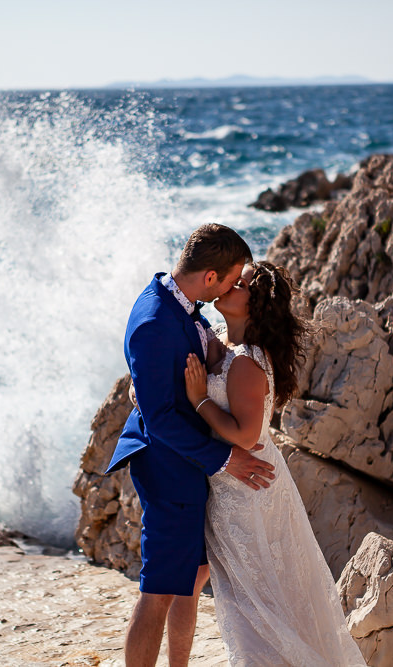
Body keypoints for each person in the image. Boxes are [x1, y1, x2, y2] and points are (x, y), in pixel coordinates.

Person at [105, 223, 277, 667]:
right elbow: (160, 417)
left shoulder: (182, 303)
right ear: (210, 279)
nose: (236, 285)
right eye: (234, 278)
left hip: (190, 465)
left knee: (194, 575)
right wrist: (225, 459)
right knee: (160, 588)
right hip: (168, 468)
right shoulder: (155, 322)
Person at [184, 261, 367, 666]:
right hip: (235, 482)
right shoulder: (225, 343)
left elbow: (246, 435)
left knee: (260, 602)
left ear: (256, 305)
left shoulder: (248, 361)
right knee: (251, 598)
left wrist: (199, 399)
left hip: (249, 489)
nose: (230, 283)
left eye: (241, 283)